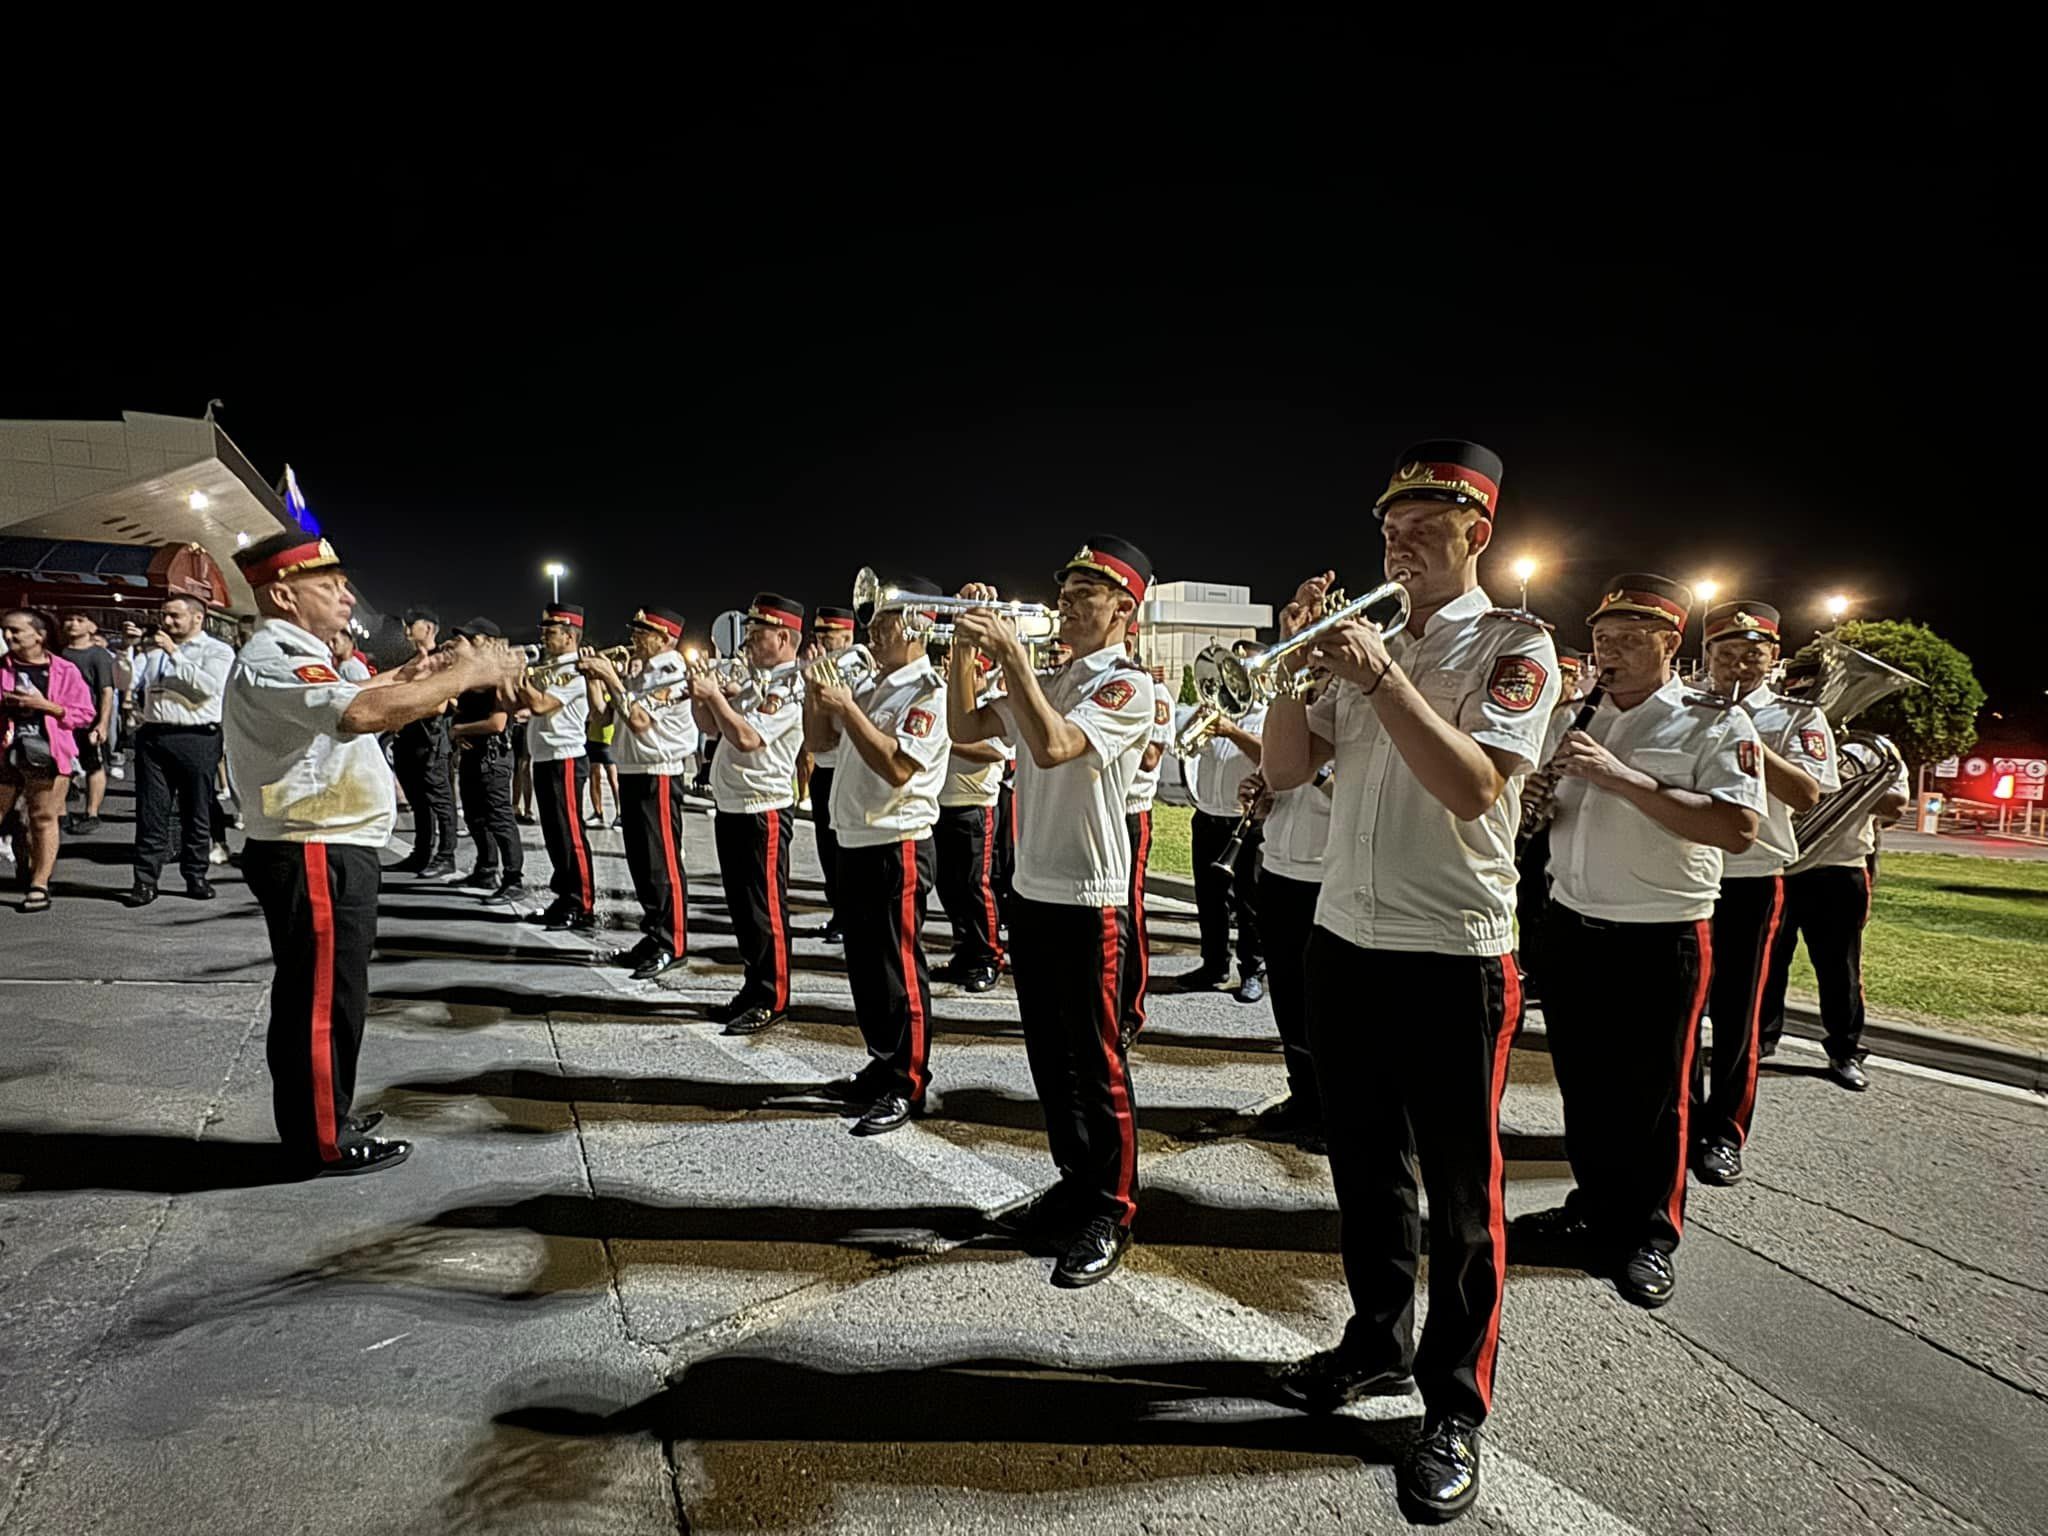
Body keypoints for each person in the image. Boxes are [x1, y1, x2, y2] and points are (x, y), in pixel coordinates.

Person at [1258, 441, 1558, 1523]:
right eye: (1387, 525)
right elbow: (1287, 769)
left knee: (1463, 1199)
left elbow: (1475, 786)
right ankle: (1374, 1343)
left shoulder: (1515, 646)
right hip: (1345, 939)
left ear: (1475, 534)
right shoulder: (1370, 643)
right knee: (1365, 1174)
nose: (1394, 540)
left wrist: (1380, 678)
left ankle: (1453, 1405)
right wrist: (1292, 665)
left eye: (1420, 525)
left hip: (1450, 952)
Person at [223, 531, 523, 1175]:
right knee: (324, 999)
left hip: (324, 845)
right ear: (282, 594)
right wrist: (469, 672)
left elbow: (347, 698)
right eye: (326, 585)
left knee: (322, 994)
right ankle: (323, 1138)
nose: (345, 593)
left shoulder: (294, 652)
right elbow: (357, 713)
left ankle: (324, 1115)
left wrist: (409, 675)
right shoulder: (276, 652)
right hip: (314, 848)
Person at [1516, 573, 1763, 1315]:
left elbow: (1735, 828)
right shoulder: (1569, 715)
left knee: (1656, 1096)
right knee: (1584, 1083)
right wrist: (1539, 803)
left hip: (1660, 933)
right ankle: (1593, 1203)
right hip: (1572, 922)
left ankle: (1649, 1236)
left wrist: (1622, 778)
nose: (1609, 652)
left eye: (1628, 639)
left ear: (1669, 642)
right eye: (1601, 638)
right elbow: (1563, 812)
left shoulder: (1712, 721)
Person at [948, 536, 1155, 1289]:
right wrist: (965, 656)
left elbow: (1056, 744)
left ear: (1124, 610)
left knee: (1098, 1064)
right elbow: (967, 733)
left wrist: (1011, 660)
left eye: (1084, 593)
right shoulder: (1055, 675)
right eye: (1063, 591)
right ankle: (1073, 1182)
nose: (1065, 602)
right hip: (1033, 891)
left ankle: (1113, 1206)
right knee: (1050, 1058)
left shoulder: (1128, 686)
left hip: (1090, 897)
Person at [1691, 601, 1837, 1183]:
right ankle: (1676, 1123)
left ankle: (1724, 1131)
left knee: (1737, 1014)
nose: (1737, 664)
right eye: (1724, 653)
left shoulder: (1796, 717)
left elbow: (1806, 792)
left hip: (1749, 879)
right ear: (1707, 656)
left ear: (1773, 657)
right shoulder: (1685, 710)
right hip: (1683, 876)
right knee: (1678, 1016)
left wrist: (1742, 731)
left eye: (1751, 653)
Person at [803, 579, 950, 1133]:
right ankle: (882, 1060)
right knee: (865, 968)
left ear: (917, 625)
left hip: (898, 842)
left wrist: (846, 705)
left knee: (897, 970)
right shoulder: (868, 684)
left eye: (885, 617)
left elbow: (897, 766)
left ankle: (908, 1082)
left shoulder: (927, 691)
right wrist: (820, 698)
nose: (871, 627)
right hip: (856, 839)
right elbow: (821, 746)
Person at [1756, 762, 1910, 1091]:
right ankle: (1759, 1042)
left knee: (1841, 970)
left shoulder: (1871, 752)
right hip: (1778, 867)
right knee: (1767, 962)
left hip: (1841, 869)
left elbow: (1895, 806)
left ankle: (1845, 1052)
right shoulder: (1784, 732)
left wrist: (1845, 781)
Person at [692, 592, 806, 1034]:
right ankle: (753, 985)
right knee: (742, 908)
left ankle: (773, 996)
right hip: (734, 805)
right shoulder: (756, 681)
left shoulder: (789, 685)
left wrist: (716, 699)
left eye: (758, 634)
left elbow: (747, 739)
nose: (749, 642)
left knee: (765, 910)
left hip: (764, 808)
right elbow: (710, 727)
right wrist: (701, 695)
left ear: (783, 636)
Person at [581, 607, 698, 980]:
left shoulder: (670, 672)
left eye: (643, 631)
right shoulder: (640, 671)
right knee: (642, 864)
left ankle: (672, 942)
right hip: (633, 771)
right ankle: (654, 934)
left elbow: (641, 721)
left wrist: (612, 679)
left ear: (664, 638)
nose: (634, 636)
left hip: (658, 774)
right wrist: (594, 682)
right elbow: (602, 719)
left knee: (662, 865)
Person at [123, 594, 235, 906]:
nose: (167, 622)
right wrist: (128, 648)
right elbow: (126, 681)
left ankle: (196, 875)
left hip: (197, 737)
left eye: (174, 616)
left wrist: (174, 653)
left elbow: (208, 687)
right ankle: (145, 880)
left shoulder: (217, 650)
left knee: (196, 809)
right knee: (151, 812)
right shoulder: (153, 649)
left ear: (197, 618)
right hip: (154, 735)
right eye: (164, 615)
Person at [1247, 751, 1332, 1152]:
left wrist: (1312, 773)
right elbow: (1278, 798)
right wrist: (1260, 799)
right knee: (1287, 997)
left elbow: (1354, 796)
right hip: (1279, 869)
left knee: (1327, 1006)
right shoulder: (1289, 725)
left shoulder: (1348, 718)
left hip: (1326, 874)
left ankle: (1336, 1110)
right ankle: (1304, 1096)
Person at [2, 610, 97, 911]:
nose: (8, 637)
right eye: (5, 631)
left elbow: (84, 714)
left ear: (38, 636)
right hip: (4, 752)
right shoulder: (2, 668)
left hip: (48, 753)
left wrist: (45, 706)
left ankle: (39, 883)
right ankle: (25, 864)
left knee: (42, 818)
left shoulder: (64, 670)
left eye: (16, 631)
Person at [514, 603, 601, 929]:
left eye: (550, 631)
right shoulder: (552, 669)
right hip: (546, 756)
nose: (544, 636)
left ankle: (582, 903)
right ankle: (565, 896)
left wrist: (518, 676)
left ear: (569, 636)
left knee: (570, 834)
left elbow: (539, 704)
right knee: (554, 834)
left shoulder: (575, 670)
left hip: (565, 756)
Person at [1184, 666, 1268, 1002]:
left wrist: (1232, 731)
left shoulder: (1265, 716)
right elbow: (1187, 751)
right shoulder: (1215, 712)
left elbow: (1269, 755)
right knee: (1209, 898)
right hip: (1208, 815)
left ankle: (1253, 970)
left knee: (1249, 901)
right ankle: (1214, 964)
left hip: (1245, 819)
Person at [933, 649, 1009, 993]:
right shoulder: (948, 705)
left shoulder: (992, 705)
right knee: (950, 886)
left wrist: (945, 741)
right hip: (944, 802)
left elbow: (996, 751)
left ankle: (989, 957)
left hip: (974, 802)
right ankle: (964, 952)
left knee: (974, 887)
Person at [448, 618, 526, 901]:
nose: (468, 644)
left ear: (491, 642)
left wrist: (459, 730)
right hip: (473, 754)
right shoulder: (473, 676)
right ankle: (485, 869)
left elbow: (497, 723)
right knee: (474, 815)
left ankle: (514, 879)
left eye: (474, 639)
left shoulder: (499, 677)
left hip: (493, 756)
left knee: (499, 817)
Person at [1119, 643, 1174, 1043]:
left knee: (1129, 911)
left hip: (1131, 809)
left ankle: (1130, 1010)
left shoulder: (1154, 693)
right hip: (1096, 808)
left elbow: (1151, 757)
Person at [389, 608, 458, 878]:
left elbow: (439, 705)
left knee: (440, 801)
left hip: (430, 742)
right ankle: (421, 853)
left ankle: (446, 855)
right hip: (409, 739)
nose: (406, 630)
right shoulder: (415, 660)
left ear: (428, 628)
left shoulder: (443, 660)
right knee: (419, 801)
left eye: (411, 625)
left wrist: (403, 707)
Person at [805, 605, 860, 942]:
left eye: (828, 634)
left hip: (847, 769)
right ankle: (839, 913)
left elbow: (832, 735)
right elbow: (814, 739)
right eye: (818, 633)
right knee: (827, 849)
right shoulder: (819, 668)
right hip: (824, 770)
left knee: (845, 851)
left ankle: (851, 915)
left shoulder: (854, 669)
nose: (821, 640)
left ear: (847, 636)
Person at [57, 612, 117, 834]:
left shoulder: (99, 656)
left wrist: (102, 723)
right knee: (59, 766)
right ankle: (60, 811)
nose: (73, 623)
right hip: (59, 719)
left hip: (86, 719)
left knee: (93, 764)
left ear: (92, 627)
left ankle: (91, 812)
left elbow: (106, 691)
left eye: (80, 620)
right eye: (70, 619)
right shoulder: (58, 652)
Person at [584, 711, 620, 828]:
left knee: (613, 776)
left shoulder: (611, 695)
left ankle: (620, 813)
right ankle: (597, 812)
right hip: (592, 737)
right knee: (594, 774)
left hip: (608, 738)